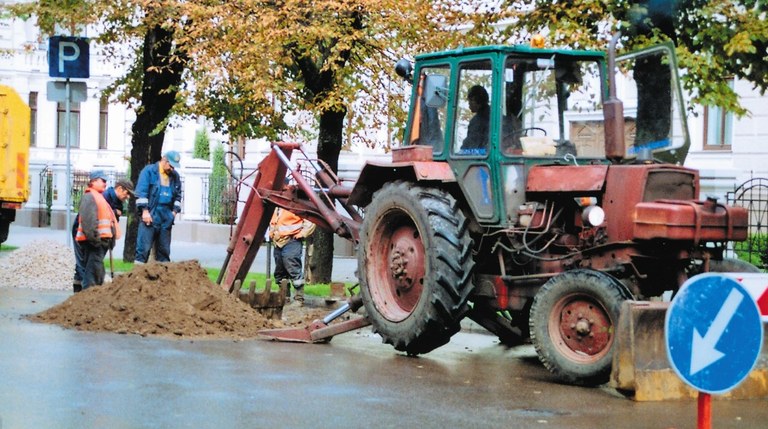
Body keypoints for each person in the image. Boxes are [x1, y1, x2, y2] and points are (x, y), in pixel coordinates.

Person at [72, 178, 135, 292]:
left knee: (92, 267)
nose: (128, 197)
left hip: (98, 239)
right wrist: (96, 241)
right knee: (85, 268)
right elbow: (90, 219)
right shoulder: (104, 197)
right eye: (127, 193)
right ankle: (80, 295)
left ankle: (86, 292)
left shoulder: (116, 201)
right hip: (87, 235)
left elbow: (109, 223)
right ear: (120, 189)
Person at [135, 150, 183, 263]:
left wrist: (173, 213)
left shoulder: (175, 176)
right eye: (171, 166)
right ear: (164, 160)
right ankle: (137, 276)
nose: (172, 169)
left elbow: (178, 197)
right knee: (143, 250)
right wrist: (145, 211)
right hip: (151, 216)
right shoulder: (149, 171)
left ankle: (163, 278)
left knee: (164, 252)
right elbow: (141, 193)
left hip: (166, 218)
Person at [269, 204, 316, 306]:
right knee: (280, 271)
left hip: (292, 241)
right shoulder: (277, 206)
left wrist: (302, 234)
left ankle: (299, 299)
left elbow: (311, 221)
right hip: (278, 242)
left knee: (293, 268)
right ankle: (284, 298)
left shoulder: (296, 206)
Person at [460, 85, 490, 151]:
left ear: (476, 100)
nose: (469, 104)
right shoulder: (494, 115)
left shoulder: (478, 121)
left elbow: (471, 146)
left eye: (470, 100)